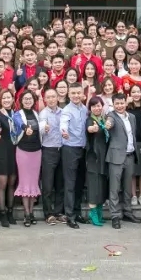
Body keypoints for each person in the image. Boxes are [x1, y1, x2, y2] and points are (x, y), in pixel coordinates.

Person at [105, 92, 138, 230]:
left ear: (126, 103)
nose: (119, 106)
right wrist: (107, 124)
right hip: (116, 157)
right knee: (114, 188)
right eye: (117, 103)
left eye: (122, 103)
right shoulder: (111, 116)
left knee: (127, 187)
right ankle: (115, 216)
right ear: (113, 104)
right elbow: (109, 123)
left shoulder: (132, 117)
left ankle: (127, 212)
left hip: (130, 155)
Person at [59, 83, 89, 229]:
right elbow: (63, 124)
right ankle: (70, 216)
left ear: (83, 94)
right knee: (70, 184)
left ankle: (77, 213)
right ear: (69, 94)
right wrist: (64, 132)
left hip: (83, 149)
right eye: (73, 93)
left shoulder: (85, 109)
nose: (76, 96)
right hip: (70, 149)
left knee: (79, 183)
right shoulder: (66, 110)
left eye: (78, 93)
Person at [13, 90, 42, 227]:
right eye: (25, 98)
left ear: (34, 100)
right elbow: (18, 122)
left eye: (30, 98)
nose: (28, 101)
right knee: (25, 182)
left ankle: (32, 212)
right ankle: (26, 214)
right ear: (21, 100)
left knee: (33, 182)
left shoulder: (37, 114)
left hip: (37, 151)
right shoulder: (18, 114)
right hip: (23, 151)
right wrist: (25, 128)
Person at [0, 90, 19, 227]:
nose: (7, 100)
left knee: (12, 183)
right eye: (4, 98)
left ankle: (10, 212)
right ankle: (2, 213)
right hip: (2, 151)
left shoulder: (16, 114)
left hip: (15, 151)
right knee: (2, 184)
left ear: (13, 99)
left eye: (9, 97)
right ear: (0, 100)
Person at [37, 89, 65, 223]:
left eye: (53, 96)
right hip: (48, 150)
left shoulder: (63, 112)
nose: (51, 99)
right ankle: (48, 214)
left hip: (63, 149)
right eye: (48, 97)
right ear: (45, 99)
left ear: (58, 98)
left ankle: (59, 212)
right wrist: (44, 128)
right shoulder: (43, 113)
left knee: (60, 183)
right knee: (48, 185)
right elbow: (41, 128)